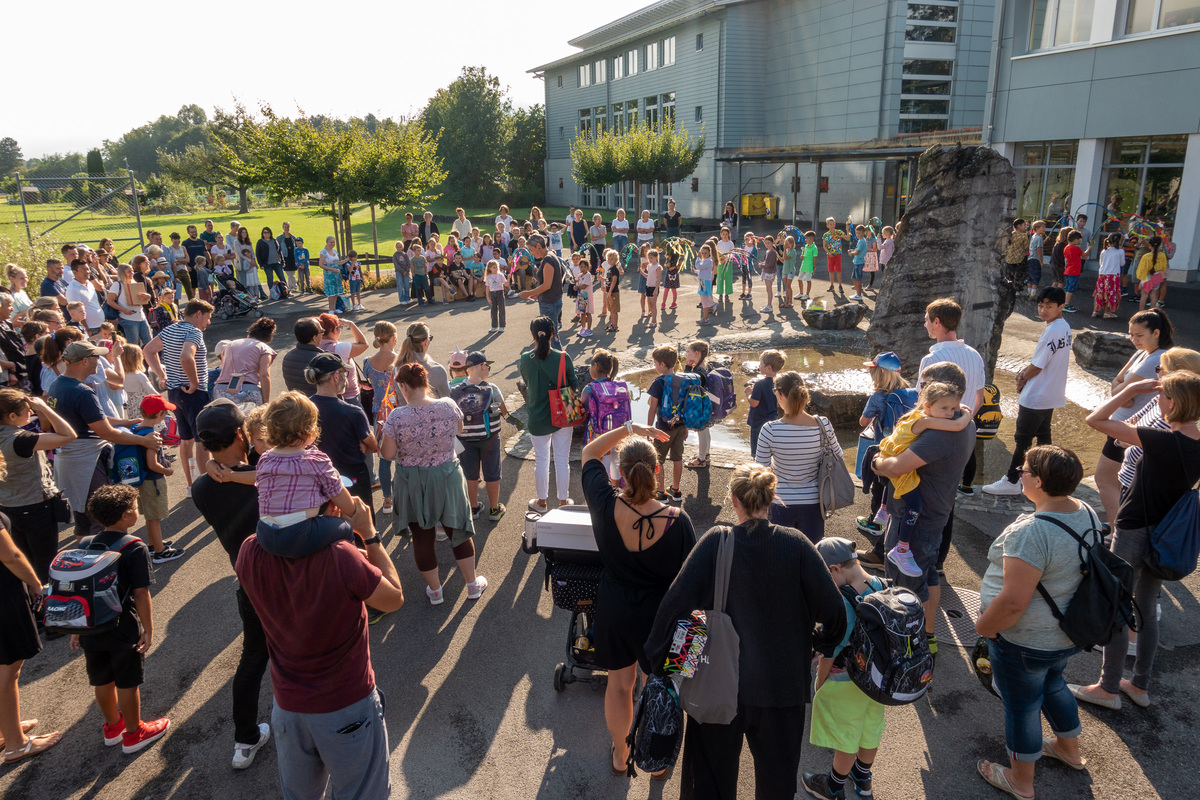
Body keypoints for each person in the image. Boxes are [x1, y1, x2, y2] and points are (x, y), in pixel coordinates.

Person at [646, 463, 847, 799]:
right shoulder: (797, 545)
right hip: (782, 689)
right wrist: (815, 645)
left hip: (718, 684)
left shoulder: (716, 542)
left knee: (710, 784)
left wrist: (660, 665)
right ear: (771, 498)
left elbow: (673, 606)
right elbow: (835, 614)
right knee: (776, 785)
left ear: (734, 500)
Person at [237, 411, 402, 798]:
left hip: (288, 707)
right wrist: (369, 535)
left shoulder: (250, 552)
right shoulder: (342, 557)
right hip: (345, 703)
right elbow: (393, 599)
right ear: (328, 505)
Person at [1069, 371, 1200, 712]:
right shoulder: (1195, 443)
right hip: (1165, 536)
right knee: (1146, 610)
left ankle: (1108, 688)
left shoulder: (1160, 439)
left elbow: (1095, 419)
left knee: (1118, 605)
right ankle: (1140, 685)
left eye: (1162, 396)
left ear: (1174, 402)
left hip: (1134, 529)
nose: (1157, 400)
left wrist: (1130, 388)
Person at [974, 445, 1091, 800]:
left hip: (1025, 639)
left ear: (1038, 481)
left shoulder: (1032, 532)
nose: (1018, 474)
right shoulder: (1083, 510)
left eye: (1023, 470)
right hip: (1065, 632)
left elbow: (1013, 602)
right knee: (1053, 685)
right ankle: (1069, 750)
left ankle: (1021, 780)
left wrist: (984, 628)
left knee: (1021, 707)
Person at [581, 422, 696, 777]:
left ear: (620, 473)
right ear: (657, 470)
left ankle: (621, 753)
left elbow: (589, 452)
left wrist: (630, 428)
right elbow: (691, 581)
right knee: (658, 684)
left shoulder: (603, 503)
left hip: (615, 608)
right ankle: (657, 760)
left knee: (619, 686)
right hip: (659, 616)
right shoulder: (678, 520)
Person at [191, 400, 274, 769]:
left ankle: (245, 739)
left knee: (253, 658)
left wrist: (212, 465)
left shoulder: (202, 488)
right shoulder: (267, 473)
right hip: (292, 576)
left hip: (250, 582)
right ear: (242, 434)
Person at [871, 362, 974, 657]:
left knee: (905, 586)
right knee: (928, 575)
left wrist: (876, 462)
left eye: (925, 384)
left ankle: (906, 646)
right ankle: (927, 635)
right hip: (937, 512)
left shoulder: (939, 433)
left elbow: (896, 467)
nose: (919, 390)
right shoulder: (963, 420)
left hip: (916, 518)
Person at [71, 484, 171, 754]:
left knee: (101, 678)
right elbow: (140, 593)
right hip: (121, 623)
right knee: (127, 679)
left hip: (90, 623)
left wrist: (77, 627)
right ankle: (134, 733)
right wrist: (148, 629)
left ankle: (113, 727)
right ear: (126, 516)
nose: (137, 511)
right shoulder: (134, 547)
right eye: (136, 508)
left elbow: (80, 589)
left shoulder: (85, 544)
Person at [380, 362, 488, 605]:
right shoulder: (448, 405)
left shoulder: (397, 416)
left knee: (422, 537)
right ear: (425, 382)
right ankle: (472, 585)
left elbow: (387, 454)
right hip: (447, 475)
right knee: (458, 530)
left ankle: (436, 591)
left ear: (403, 386)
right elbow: (458, 430)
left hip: (412, 480)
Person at [802, 537, 888, 800]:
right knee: (870, 728)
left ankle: (833, 786)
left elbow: (833, 647)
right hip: (877, 678)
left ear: (835, 569)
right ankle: (863, 777)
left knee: (846, 736)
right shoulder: (880, 584)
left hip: (847, 680)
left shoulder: (845, 602)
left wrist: (820, 681)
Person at [48, 341, 162, 540]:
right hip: (85, 463)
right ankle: (104, 559)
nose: (99, 361)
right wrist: (143, 441)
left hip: (68, 460)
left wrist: (125, 422)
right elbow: (106, 432)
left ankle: (86, 558)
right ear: (84, 361)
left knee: (83, 522)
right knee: (101, 519)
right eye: (96, 357)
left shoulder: (58, 384)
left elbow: (94, 419)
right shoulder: (82, 391)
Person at [873, 382, 974, 577]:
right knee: (914, 507)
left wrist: (958, 408)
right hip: (896, 465)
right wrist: (966, 415)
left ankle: (885, 514)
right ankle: (901, 548)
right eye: (945, 408)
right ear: (928, 405)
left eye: (953, 408)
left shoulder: (918, 416)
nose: (950, 413)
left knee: (923, 578)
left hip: (890, 453)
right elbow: (957, 425)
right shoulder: (925, 422)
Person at [984, 288, 1071, 497]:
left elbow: (1038, 365)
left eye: (1049, 306)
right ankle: (1045, 477)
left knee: (1023, 440)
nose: (1043, 310)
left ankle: (1012, 480)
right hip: (1050, 393)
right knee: (1043, 439)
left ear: (1061, 306)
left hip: (1037, 395)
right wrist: (1024, 372)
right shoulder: (1064, 327)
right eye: (1040, 306)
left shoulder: (1052, 331)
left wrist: (1022, 377)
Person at [1092, 309, 1171, 528]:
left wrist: (1123, 392)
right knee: (1118, 481)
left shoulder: (1156, 359)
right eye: (1131, 334)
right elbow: (1116, 383)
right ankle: (1118, 525)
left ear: (1156, 333)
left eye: (1139, 335)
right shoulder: (1141, 354)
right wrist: (1123, 392)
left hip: (1128, 430)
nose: (1134, 340)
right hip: (1122, 427)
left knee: (1105, 479)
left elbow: (1119, 390)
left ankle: (1117, 530)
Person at [0, 484, 62, 763]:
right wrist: (36, 584)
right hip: (3, 595)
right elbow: (10, 555)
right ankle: (16, 744)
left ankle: (6, 729)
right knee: (8, 668)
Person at [754, 371, 842, 542]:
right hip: (815, 504)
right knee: (811, 553)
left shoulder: (770, 430)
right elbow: (839, 457)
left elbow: (760, 472)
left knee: (781, 553)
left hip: (780, 503)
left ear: (779, 395)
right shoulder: (823, 425)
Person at [0, 391, 76, 582]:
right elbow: (68, 434)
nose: (31, 412)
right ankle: (45, 597)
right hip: (35, 508)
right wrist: (44, 408)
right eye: (28, 409)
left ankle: (31, 594)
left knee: (24, 562)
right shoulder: (21, 439)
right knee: (45, 564)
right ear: (12, 416)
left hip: (7, 508)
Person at [144, 299, 214, 495]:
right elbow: (186, 357)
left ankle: (192, 485)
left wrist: (162, 376)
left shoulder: (169, 330)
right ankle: (206, 487)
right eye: (207, 317)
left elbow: (148, 350)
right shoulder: (193, 332)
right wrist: (195, 383)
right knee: (201, 440)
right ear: (198, 314)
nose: (208, 322)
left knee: (186, 439)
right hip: (192, 393)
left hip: (175, 392)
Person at [518, 316, 577, 513]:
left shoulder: (525, 359)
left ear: (532, 335)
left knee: (541, 460)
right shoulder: (563, 357)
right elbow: (573, 384)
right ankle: (563, 501)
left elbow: (527, 381)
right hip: (562, 415)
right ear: (553, 334)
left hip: (537, 416)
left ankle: (542, 502)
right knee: (562, 460)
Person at [307, 353, 378, 514]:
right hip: (352, 477)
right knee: (360, 518)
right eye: (344, 373)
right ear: (335, 376)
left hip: (316, 476)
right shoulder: (352, 412)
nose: (346, 378)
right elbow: (373, 445)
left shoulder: (304, 409)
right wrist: (364, 446)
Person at [855, 352, 914, 536]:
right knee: (897, 488)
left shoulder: (878, 397)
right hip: (906, 449)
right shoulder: (909, 392)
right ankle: (895, 522)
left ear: (880, 372)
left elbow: (863, 422)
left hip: (885, 450)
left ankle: (875, 524)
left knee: (879, 487)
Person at [454, 351, 509, 522]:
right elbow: (504, 411)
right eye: (488, 366)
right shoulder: (492, 388)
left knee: (470, 474)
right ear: (483, 366)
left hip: (465, 439)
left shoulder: (455, 390)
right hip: (489, 438)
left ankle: (474, 507)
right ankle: (494, 509)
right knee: (492, 473)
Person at [133, 394, 183, 563]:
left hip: (142, 481)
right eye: (165, 412)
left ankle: (153, 544)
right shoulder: (152, 435)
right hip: (153, 481)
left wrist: (164, 460)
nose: (166, 415)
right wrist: (166, 471)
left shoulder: (137, 430)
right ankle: (160, 552)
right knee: (155, 516)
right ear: (160, 414)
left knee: (150, 516)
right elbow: (152, 464)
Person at [362, 322, 398, 513]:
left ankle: (387, 500)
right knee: (404, 455)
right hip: (399, 409)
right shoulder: (400, 360)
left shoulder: (368, 362)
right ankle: (404, 495)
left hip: (379, 412)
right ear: (393, 337)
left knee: (384, 458)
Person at [646, 344, 687, 502]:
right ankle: (676, 490)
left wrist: (649, 429)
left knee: (659, 460)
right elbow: (685, 405)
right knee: (677, 458)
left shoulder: (659, 382)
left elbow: (652, 409)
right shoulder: (682, 380)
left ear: (662, 364)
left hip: (663, 427)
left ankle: (661, 492)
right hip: (680, 425)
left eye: (655, 363)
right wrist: (686, 426)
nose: (655, 366)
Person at [213, 318, 277, 407]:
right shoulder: (264, 348)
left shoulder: (229, 345)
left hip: (221, 391)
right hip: (248, 390)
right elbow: (264, 375)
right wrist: (266, 402)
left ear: (249, 334)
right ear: (268, 339)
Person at [316, 313, 369, 412]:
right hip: (349, 396)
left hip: (326, 395)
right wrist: (351, 325)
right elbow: (363, 344)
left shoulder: (315, 346)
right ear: (334, 330)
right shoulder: (340, 348)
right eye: (339, 327)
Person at [518, 235, 566, 340]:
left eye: (531, 250)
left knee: (551, 337)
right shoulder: (549, 257)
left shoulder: (548, 259)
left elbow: (547, 285)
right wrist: (537, 293)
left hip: (550, 303)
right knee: (552, 336)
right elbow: (550, 283)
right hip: (551, 301)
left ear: (539, 246)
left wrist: (528, 293)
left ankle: (556, 352)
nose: (531, 253)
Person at [746, 349, 786, 457]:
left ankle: (757, 464)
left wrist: (748, 394)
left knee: (757, 452)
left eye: (761, 364)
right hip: (773, 420)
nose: (759, 366)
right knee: (770, 450)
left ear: (769, 368)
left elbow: (754, 403)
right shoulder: (779, 383)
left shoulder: (759, 384)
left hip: (758, 421)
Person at [280, 318, 325, 397]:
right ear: (314, 338)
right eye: (321, 331)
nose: (323, 334)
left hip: (299, 402)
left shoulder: (288, 357)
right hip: (318, 403)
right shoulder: (321, 359)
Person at [66, 259, 106, 333]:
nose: (87, 272)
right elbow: (76, 312)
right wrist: (87, 330)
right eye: (83, 270)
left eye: (88, 269)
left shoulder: (89, 283)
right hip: (90, 328)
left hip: (101, 325)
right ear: (74, 272)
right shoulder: (73, 289)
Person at [1136, 235, 1168, 312]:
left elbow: (1142, 268)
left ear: (1150, 245)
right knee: (1154, 295)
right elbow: (1164, 266)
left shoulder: (1146, 256)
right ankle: (1151, 312)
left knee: (1144, 295)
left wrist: (1140, 277)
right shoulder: (1162, 255)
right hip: (1157, 276)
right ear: (1160, 245)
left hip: (1147, 277)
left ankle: (1141, 312)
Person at [256, 227, 285, 294]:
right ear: (262, 234)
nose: (266, 234)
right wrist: (261, 264)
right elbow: (258, 254)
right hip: (267, 264)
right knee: (270, 279)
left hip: (277, 263)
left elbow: (279, 251)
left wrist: (283, 261)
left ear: (270, 233)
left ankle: (285, 291)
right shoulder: (260, 242)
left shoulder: (274, 240)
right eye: (264, 232)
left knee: (282, 277)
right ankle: (272, 293)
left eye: (268, 232)